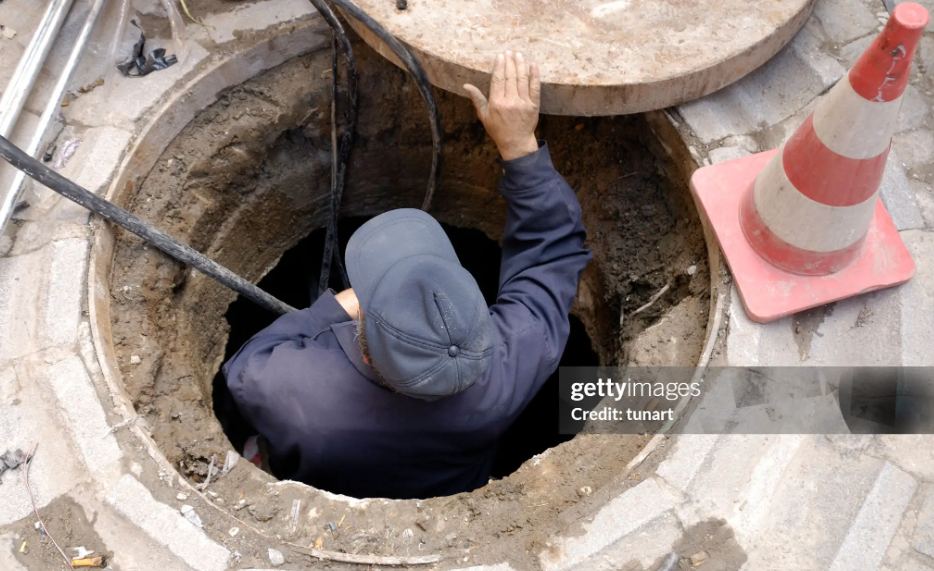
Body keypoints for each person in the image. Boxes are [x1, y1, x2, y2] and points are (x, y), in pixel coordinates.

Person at [224, 51, 592, 499]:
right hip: (456, 491)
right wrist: (519, 145)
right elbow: (550, 257)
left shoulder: (293, 390)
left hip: (329, 484)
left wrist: (333, 308)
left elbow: (245, 366)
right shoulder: (510, 363)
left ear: (367, 340)